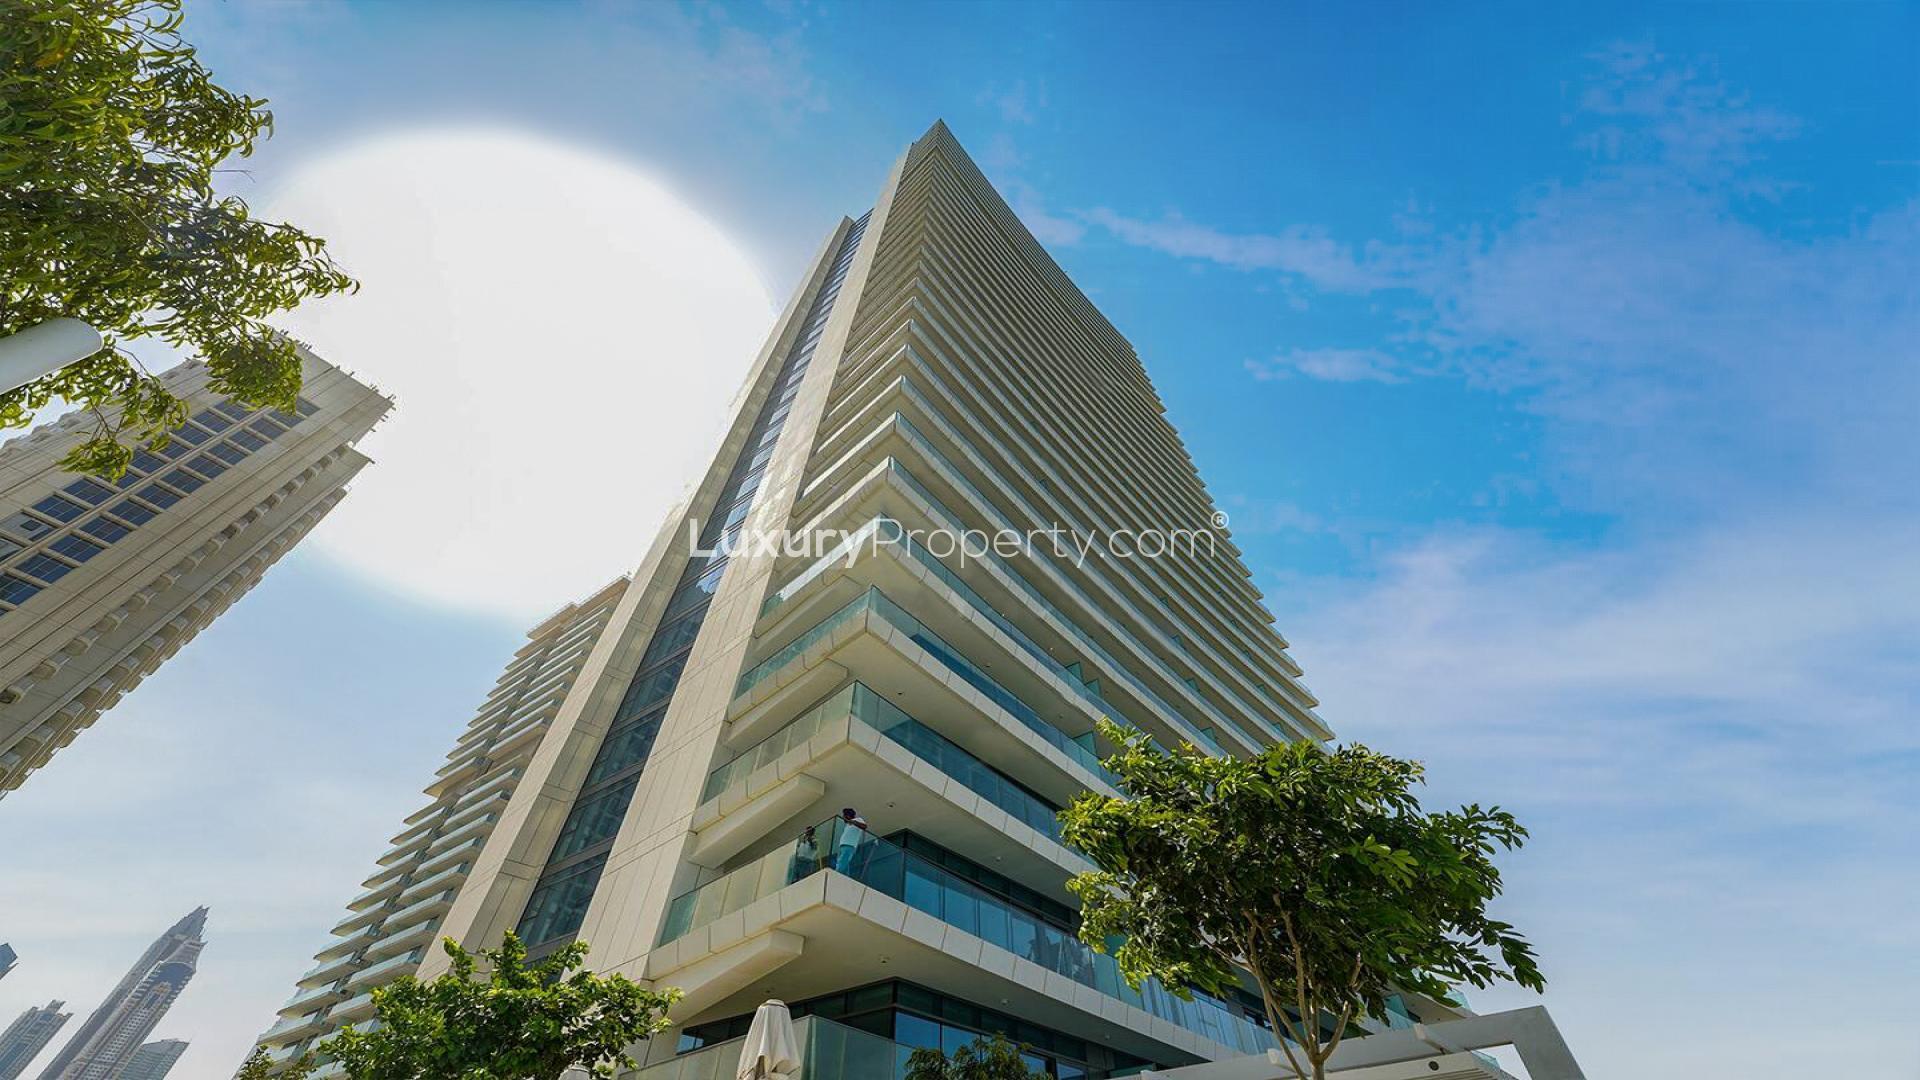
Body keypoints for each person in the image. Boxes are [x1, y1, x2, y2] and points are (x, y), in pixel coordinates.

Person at [833, 806, 870, 876]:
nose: (843, 817)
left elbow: (864, 826)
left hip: (849, 845)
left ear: (848, 815)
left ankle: (835, 875)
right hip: (842, 846)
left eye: (844, 815)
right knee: (843, 863)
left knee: (842, 862)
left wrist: (853, 821)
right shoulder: (847, 825)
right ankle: (846, 878)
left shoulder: (858, 819)